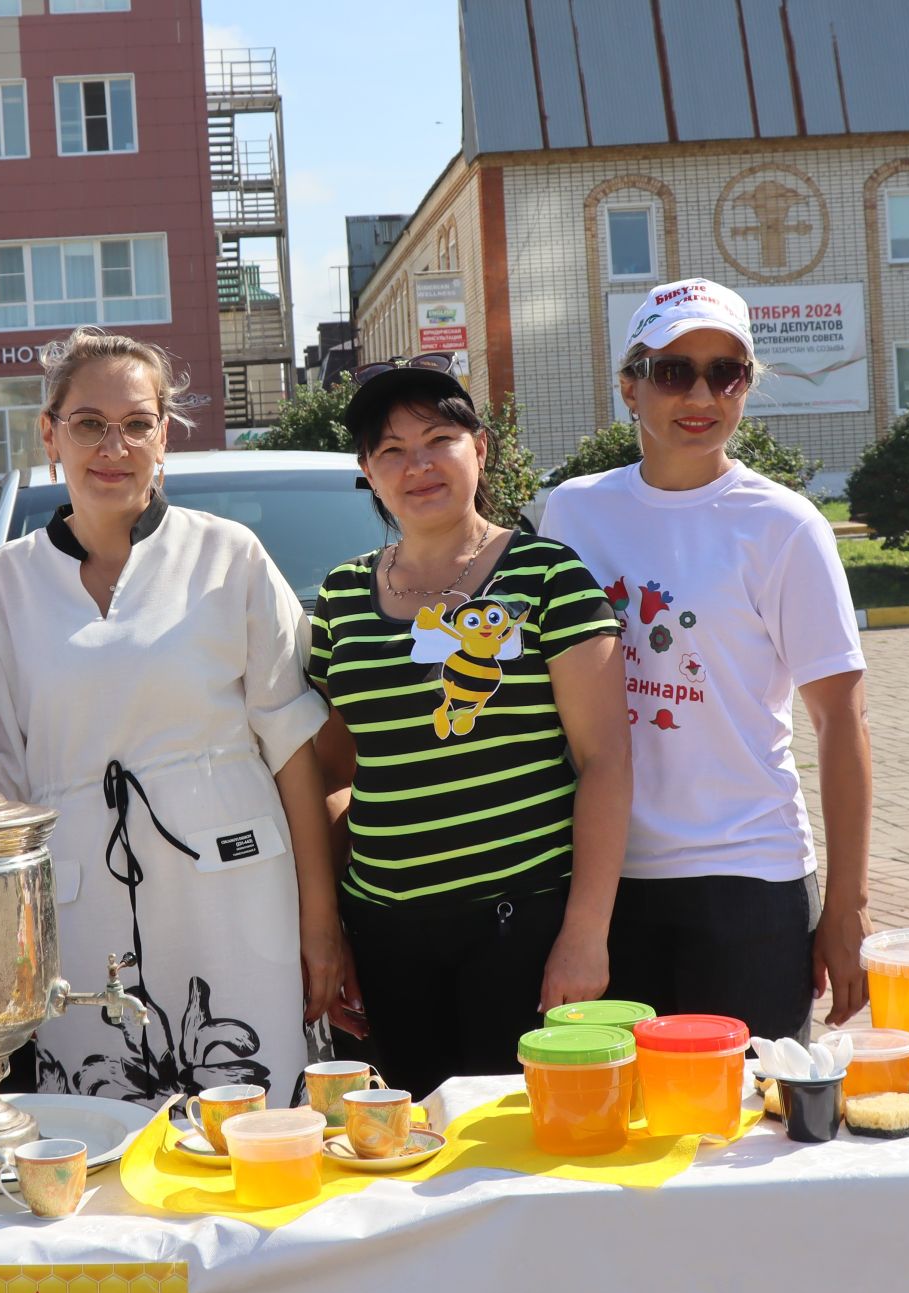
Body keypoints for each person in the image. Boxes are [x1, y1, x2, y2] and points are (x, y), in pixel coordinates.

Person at [0, 327, 341, 1109]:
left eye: (137, 423)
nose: (115, 445)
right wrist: (7, 948)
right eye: (89, 423)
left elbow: (291, 752)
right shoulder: (1, 585)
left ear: (163, 435)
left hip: (238, 895)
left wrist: (320, 918)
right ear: (50, 433)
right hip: (79, 914)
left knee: (256, 1127)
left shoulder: (229, 556)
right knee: (106, 1136)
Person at [539, 278, 874, 1044]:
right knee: (617, 1129)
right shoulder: (574, 512)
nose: (701, 393)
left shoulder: (783, 527)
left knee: (745, 1134)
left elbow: (841, 721)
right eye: (673, 370)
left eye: (726, 372)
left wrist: (848, 905)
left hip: (747, 880)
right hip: (604, 885)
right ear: (629, 386)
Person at [310, 354, 630, 1099]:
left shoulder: (550, 576)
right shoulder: (340, 597)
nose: (417, 466)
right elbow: (330, 772)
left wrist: (585, 935)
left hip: (519, 929)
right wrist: (336, 924)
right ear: (368, 469)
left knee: (516, 1147)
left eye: (437, 440)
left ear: (478, 448)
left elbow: (607, 761)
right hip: (386, 936)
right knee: (407, 1146)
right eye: (391, 451)